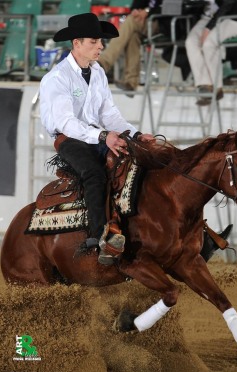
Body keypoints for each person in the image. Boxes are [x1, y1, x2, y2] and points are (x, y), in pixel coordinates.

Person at [39, 13, 155, 266]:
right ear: (77, 43)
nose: (101, 46)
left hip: (96, 136)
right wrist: (103, 136)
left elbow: (109, 114)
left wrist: (134, 135)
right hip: (69, 139)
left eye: (100, 41)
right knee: (94, 173)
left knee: (139, 162)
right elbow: (67, 123)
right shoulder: (57, 79)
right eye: (94, 41)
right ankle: (97, 237)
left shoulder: (97, 72)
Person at [185, 0, 237, 106]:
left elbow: (228, 4)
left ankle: (217, 87)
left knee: (208, 43)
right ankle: (205, 84)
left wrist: (208, 28)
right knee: (191, 42)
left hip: (231, 18)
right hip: (207, 17)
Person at [98, 0, 160, 94]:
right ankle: (131, 82)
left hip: (161, 22)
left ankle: (104, 61)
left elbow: (168, 7)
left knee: (131, 20)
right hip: (144, 21)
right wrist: (135, 10)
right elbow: (137, 3)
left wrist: (147, 12)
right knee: (133, 36)